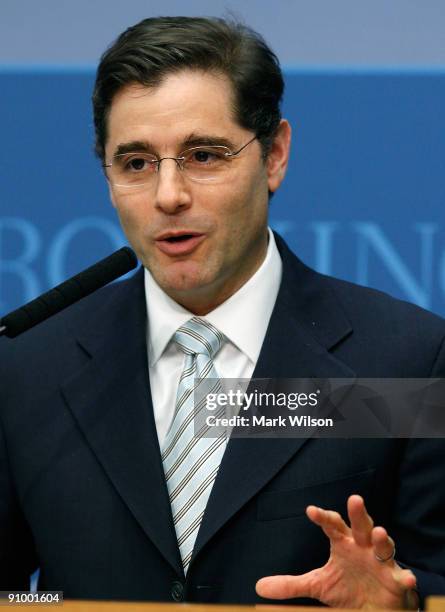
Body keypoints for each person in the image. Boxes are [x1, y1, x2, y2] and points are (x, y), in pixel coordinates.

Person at [1, 16, 444, 608]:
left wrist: (405, 604)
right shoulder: (30, 368)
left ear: (275, 156)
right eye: (135, 163)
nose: (168, 195)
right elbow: (14, 592)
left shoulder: (401, 362)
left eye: (203, 155)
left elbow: (433, 574)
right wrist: (49, 604)